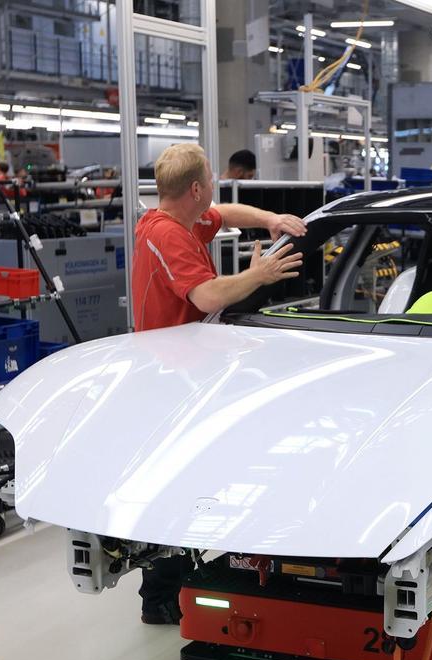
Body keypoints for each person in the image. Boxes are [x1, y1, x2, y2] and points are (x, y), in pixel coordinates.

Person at [132, 142, 307, 623]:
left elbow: (226, 213)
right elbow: (206, 293)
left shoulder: (187, 219)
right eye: (210, 179)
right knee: (175, 485)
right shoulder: (166, 234)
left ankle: (189, 569)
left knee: (196, 476)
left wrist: (270, 219)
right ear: (195, 188)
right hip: (168, 379)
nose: (215, 187)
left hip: (192, 370)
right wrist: (259, 274)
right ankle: (160, 598)